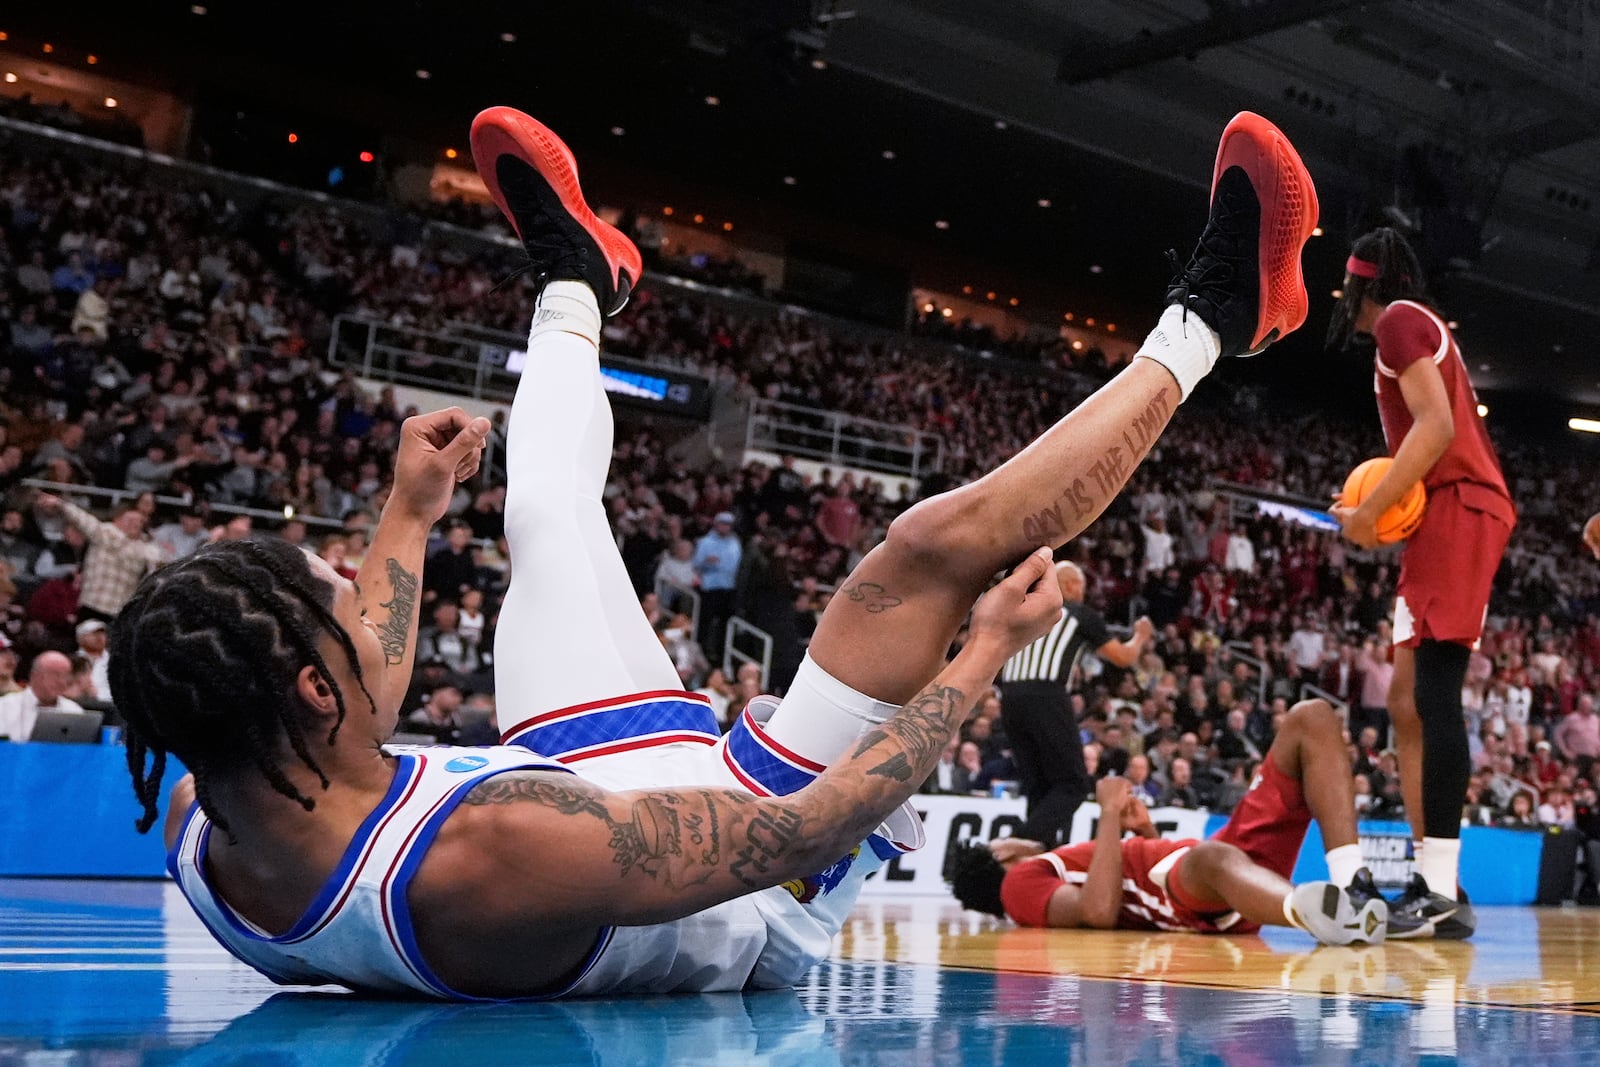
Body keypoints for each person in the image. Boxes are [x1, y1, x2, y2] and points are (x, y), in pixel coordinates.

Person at [114, 106, 1319, 999]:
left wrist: (409, 513)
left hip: (586, 796)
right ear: (314, 690)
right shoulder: (483, 852)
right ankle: (1219, 314)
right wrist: (982, 654)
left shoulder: (216, 792)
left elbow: (363, 675)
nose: (352, 594)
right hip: (751, 871)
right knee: (923, 555)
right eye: (331, 599)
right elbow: (811, 825)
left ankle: (577, 286)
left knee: (539, 508)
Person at [1329, 227, 1517, 939]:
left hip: (1461, 504)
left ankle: (1437, 888)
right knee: (1406, 701)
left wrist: (1371, 511)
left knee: (1435, 694)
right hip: (1441, 512)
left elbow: (1435, 428)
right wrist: (1374, 514)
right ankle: (1436, 880)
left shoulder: (1401, 320)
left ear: (1361, 286)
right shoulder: (1411, 327)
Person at [949, 701, 1418, 943]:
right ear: (1001, 852)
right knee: (1211, 857)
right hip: (1202, 883)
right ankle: (1317, 915)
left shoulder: (1042, 874)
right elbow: (1096, 912)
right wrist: (1108, 814)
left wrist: (1145, 836)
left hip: (1219, 870)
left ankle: (1354, 887)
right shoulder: (1019, 887)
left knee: (1310, 718)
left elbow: (1125, 891)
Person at [998, 560, 1153, 845]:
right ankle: (1009, 847)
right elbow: (1123, 658)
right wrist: (1140, 638)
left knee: (1040, 788)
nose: (1083, 593)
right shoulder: (1076, 613)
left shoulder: (1026, 612)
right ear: (1071, 586)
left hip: (1009, 697)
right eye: (1081, 587)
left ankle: (1035, 856)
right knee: (1074, 784)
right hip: (1046, 694)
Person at [33, 495, 162, 624]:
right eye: (130, 520)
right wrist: (61, 504)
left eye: (138, 521)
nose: (134, 524)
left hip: (119, 610)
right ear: (118, 519)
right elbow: (82, 518)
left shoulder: (148, 549)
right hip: (92, 603)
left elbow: (157, 570)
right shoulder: (102, 532)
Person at [0, 651, 85, 742]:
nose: (61, 681)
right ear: (34, 676)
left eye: (65, 676)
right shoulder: (4, 707)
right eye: (55, 675)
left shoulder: (74, 711)